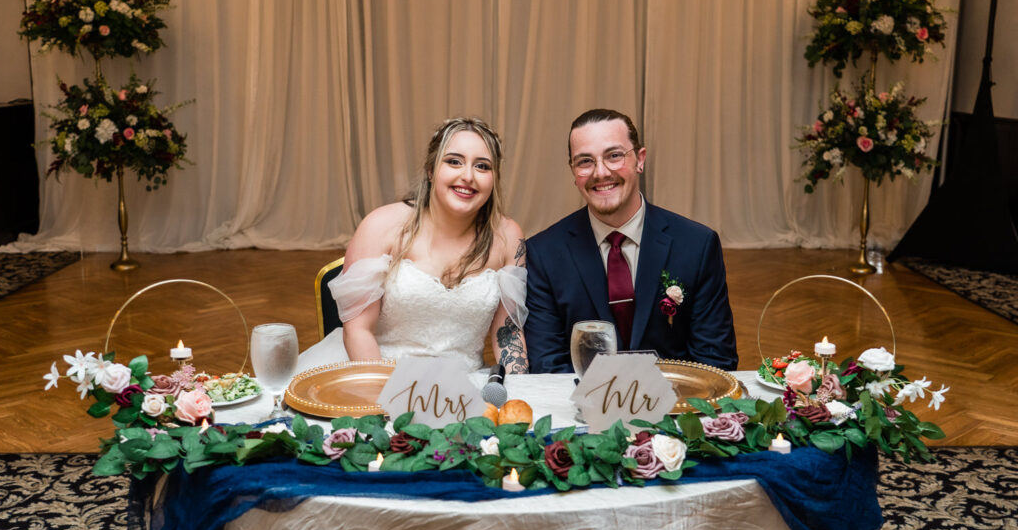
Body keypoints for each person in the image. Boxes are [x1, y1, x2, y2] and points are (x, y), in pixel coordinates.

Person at [297, 117, 529, 375]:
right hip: (377, 375)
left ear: (494, 178)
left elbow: (507, 332)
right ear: (431, 170)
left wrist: (518, 393)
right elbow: (358, 330)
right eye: (454, 161)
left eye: (482, 166)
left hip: (463, 385)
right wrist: (385, 402)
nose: (468, 176)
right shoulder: (381, 225)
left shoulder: (508, 236)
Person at [524, 108, 737, 373]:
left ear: (640, 159)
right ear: (573, 171)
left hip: (676, 407)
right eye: (585, 162)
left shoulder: (697, 245)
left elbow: (715, 360)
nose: (600, 173)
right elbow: (547, 365)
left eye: (614, 156)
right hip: (582, 408)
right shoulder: (543, 253)